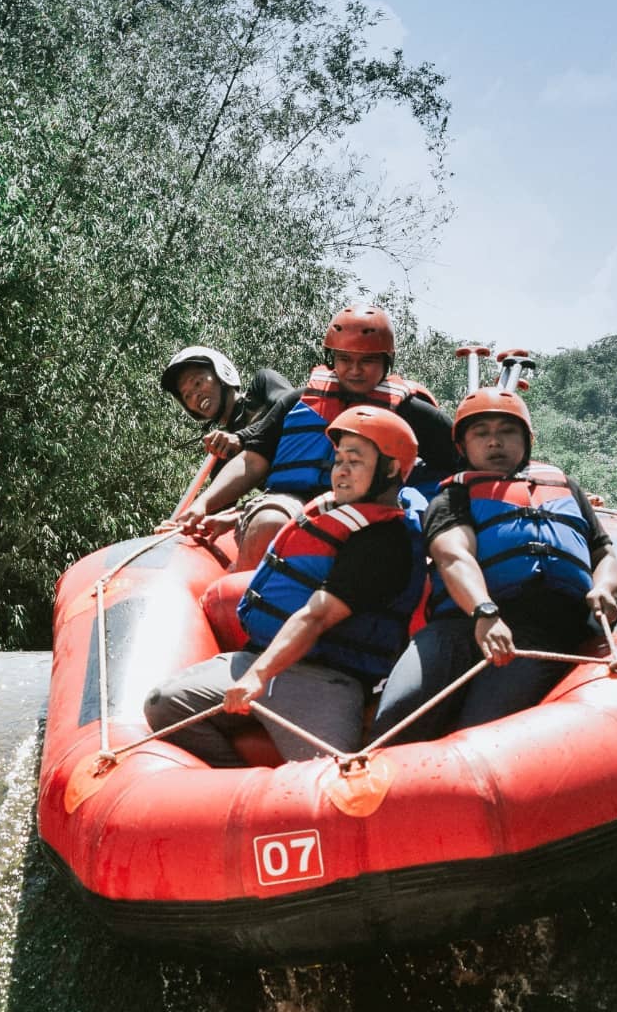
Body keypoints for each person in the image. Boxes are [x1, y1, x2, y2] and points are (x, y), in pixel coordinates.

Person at [144, 406, 427, 766]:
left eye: (354, 461)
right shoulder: (335, 507)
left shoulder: (386, 544)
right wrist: (229, 518)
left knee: (331, 782)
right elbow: (300, 525)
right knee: (164, 704)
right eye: (338, 460)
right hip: (258, 656)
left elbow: (317, 616)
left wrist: (257, 677)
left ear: (390, 469)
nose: (340, 470)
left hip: (323, 682)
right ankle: (235, 786)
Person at [370, 386, 617, 744]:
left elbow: (605, 557)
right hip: (457, 628)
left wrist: (604, 588)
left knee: (481, 733)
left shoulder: (566, 488)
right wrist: (484, 611)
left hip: (535, 633)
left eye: (506, 431)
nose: (495, 443)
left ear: (526, 440)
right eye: (481, 433)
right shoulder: (451, 496)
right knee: (397, 720)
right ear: (462, 446)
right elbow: (453, 555)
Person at [176, 305, 456, 568]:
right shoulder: (298, 401)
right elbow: (253, 459)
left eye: (367, 361)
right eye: (345, 359)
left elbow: (459, 458)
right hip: (293, 500)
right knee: (268, 521)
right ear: (331, 359)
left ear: (387, 362)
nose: (355, 370)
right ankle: (246, 606)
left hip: (374, 508)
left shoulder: (410, 411)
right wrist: (203, 503)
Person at [160, 347, 294, 461]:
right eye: (187, 396)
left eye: (197, 383)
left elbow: (295, 408)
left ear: (221, 373)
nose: (195, 396)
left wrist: (241, 438)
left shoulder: (261, 384)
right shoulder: (225, 451)